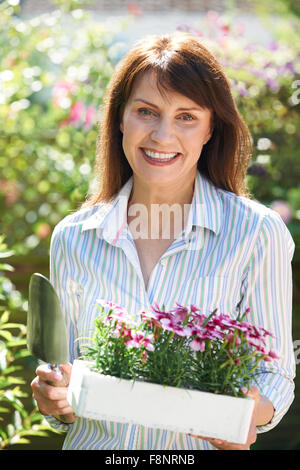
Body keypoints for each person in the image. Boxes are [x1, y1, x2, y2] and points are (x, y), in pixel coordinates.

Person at [31, 32, 295, 450]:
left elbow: (274, 376)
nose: (161, 135)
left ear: (211, 128)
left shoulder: (256, 233)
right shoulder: (72, 238)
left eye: (186, 116)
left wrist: (245, 415)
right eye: (146, 112)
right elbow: (67, 380)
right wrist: (55, 397)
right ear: (121, 118)